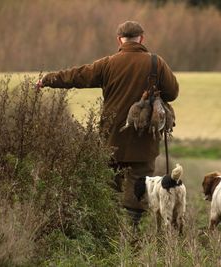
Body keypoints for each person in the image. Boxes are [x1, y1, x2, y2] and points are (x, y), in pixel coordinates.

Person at [37, 21, 179, 225]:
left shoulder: (108, 64)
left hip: (112, 137)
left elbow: (77, 76)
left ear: (119, 40)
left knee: (109, 184)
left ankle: (108, 228)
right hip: (144, 139)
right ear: (142, 38)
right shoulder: (157, 63)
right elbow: (173, 93)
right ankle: (131, 231)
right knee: (139, 184)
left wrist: (47, 80)